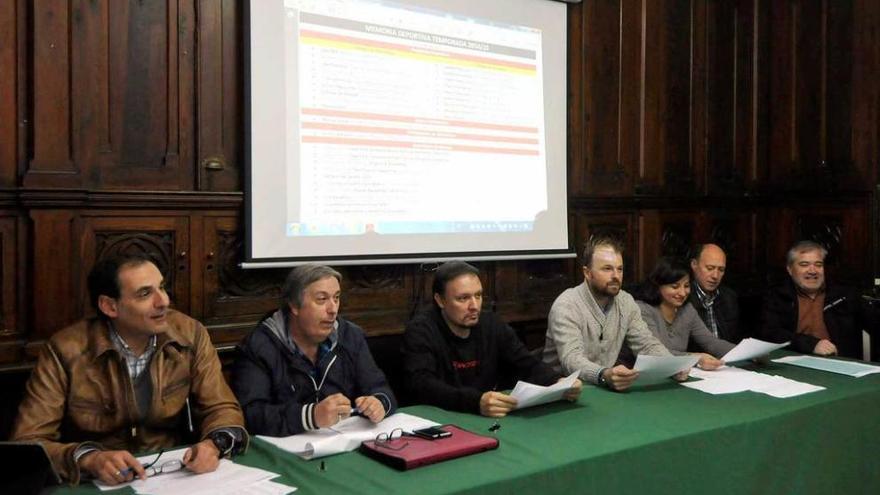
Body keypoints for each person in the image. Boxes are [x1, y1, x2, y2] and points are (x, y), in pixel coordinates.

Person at [11, 255, 247, 486]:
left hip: (172, 475)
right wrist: (89, 459)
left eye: (162, 287)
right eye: (145, 293)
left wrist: (214, 444)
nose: (163, 300)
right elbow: (29, 442)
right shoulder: (65, 350)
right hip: (95, 481)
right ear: (109, 306)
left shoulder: (190, 334)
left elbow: (221, 407)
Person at [231, 264, 396, 436]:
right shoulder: (259, 346)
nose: (333, 309)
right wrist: (311, 416)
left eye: (336, 298)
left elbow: (380, 388)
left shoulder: (350, 336)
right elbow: (250, 415)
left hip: (341, 443)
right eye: (322, 299)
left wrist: (379, 403)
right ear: (294, 305)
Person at [402, 261, 582, 418]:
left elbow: (525, 362)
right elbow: (423, 385)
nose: (474, 306)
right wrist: (475, 401)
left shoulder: (491, 323)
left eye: (478, 296)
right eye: (463, 298)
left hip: (489, 415)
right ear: (440, 300)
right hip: (441, 418)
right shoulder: (421, 330)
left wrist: (558, 382)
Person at [543, 237, 685, 391]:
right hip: (561, 391)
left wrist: (672, 365)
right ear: (587, 273)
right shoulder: (567, 304)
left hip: (603, 388)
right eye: (607, 269)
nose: (616, 276)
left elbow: (646, 344)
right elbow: (571, 360)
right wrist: (604, 374)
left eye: (620, 269)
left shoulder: (625, 301)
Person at [760, 241, 863, 358]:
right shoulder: (777, 296)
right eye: (804, 264)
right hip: (793, 362)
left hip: (839, 362)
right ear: (790, 269)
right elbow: (770, 333)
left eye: (818, 265)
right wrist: (811, 344)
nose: (813, 271)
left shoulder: (844, 294)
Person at [630, 258, 735, 370]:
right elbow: (653, 352)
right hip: (645, 373)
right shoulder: (642, 309)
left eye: (686, 286)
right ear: (658, 285)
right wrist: (695, 357)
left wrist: (747, 353)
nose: (682, 293)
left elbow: (711, 342)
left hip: (678, 373)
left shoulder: (687, 310)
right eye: (675, 287)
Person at [688, 243, 743, 343]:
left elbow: (735, 339)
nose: (715, 275)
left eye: (721, 270)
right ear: (694, 265)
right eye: (710, 268)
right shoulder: (682, 297)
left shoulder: (729, 298)